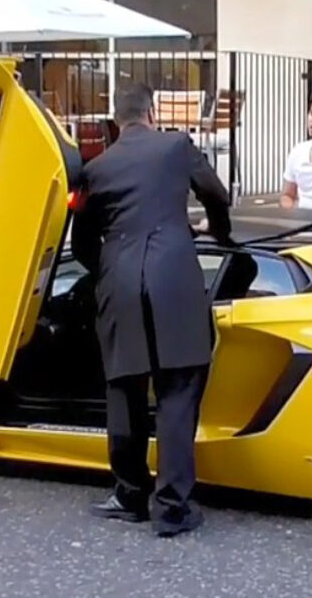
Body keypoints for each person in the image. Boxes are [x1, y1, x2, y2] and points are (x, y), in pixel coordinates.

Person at [71, 82, 233, 538]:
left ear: (115, 121)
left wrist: (110, 268)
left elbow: (81, 243)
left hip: (119, 282)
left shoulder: (95, 168)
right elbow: (217, 195)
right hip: (174, 276)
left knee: (124, 388)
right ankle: (172, 508)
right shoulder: (177, 146)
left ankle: (129, 494)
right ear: (152, 113)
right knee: (177, 391)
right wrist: (217, 232)